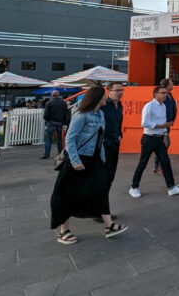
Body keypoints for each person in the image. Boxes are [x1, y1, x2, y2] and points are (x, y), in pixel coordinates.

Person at [50, 86, 128, 244]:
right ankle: (63, 230)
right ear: (97, 97)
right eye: (104, 95)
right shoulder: (81, 115)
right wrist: (76, 161)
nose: (106, 97)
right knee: (68, 194)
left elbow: (99, 140)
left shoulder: (100, 115)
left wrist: (103, 158)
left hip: (95, 159)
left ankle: (109, 226)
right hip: (79, 159)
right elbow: (70, 139)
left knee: (101, 189)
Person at [129, 86, 179, 198]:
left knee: (166, 162)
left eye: (166, 93)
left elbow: (163, 121)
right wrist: (162, 126)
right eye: (163, 93)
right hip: (149, 138)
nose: (166, 95)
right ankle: (134, 187)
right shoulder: (149, 106)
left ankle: (171, 187)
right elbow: (144, 123)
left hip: (160, 138)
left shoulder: (163, 106)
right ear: (155, 94)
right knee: (143, 163)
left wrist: (165, 134)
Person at [95, 82, 125, 223]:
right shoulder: (103, 105)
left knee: (110, 177)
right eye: (117, 90)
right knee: (103, 178)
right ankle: (101, 211)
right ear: (109, 91)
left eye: (121, 90)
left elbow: (118, 123)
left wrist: (119, 135)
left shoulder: (119, 106)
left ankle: (101, 209)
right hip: (103, 146)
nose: (120, 92)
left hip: (114, 144)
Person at [153, 78, 177, 175]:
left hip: (168, 123)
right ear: (167, 85)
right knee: (164, 144)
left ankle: (157, 166)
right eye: (171, 83)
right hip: (163, 123)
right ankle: (161, 167)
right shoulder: (162, 97)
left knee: (162, 145)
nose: (173, 85)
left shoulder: (170, 95)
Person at [41, 90, 69, 159]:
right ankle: (60, 153)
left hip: (51, 122)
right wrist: (65, 122)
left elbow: (46, 114)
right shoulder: (63, 103)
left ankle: (47, 153)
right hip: (60, 122)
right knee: (59, 139)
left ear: (51, 95)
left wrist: (47, 120)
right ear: (58, 95)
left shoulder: (49, 103)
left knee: (48, 138)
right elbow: (66, 114)